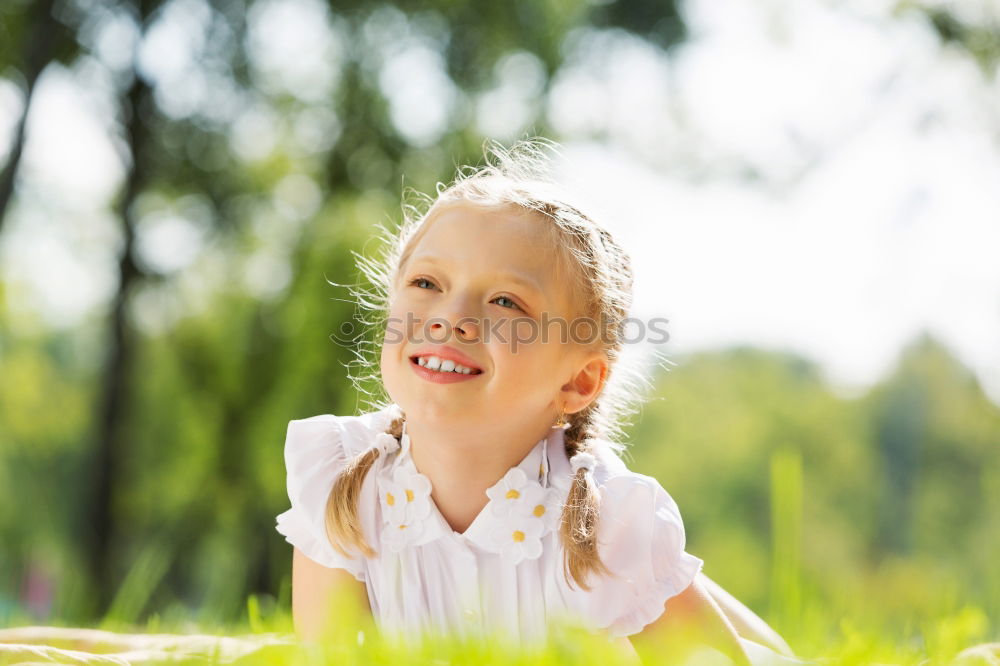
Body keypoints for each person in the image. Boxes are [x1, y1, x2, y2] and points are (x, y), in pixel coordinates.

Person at [275, 138, 810, 664]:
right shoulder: (343, 483)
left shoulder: (602, 530)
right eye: (426, 282)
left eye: (505, 301)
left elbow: (719, 660)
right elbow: (331, 656)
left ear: (577, 382)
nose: (450, 314)